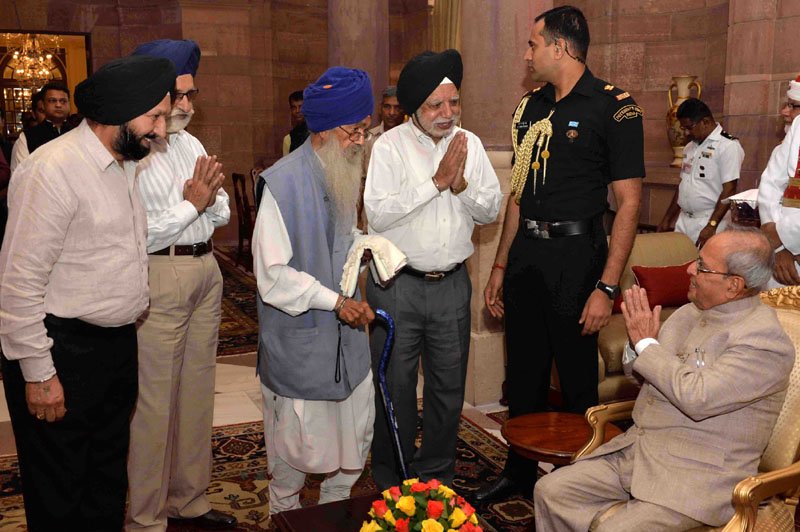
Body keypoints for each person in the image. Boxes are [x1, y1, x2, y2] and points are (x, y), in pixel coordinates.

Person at [0, 55, 175, 531]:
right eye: (155, 117)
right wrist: (38, 374)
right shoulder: (51, 170)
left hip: (114, 348)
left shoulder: (123, 165)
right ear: (118, 112)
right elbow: (18, 283)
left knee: (104, 482)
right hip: (60, 350)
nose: (161, 130)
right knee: (59, 490)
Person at [479, 5, 644, 502]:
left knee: (575, 381)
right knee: (524, 374)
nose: (527, 55)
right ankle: (519, 474)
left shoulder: (614, 107)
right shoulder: (529, 108)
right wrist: (501, 264)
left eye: (533, 45)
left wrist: (607, 287)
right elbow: (517, 192)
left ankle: (581, 482)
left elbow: (630, 200)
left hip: (577, 258)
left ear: (561, 47)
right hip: (528, 253)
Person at [535, 228, 794, 531]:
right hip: (640, 453)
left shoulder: (762, 341)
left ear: (733, 285)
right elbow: (643, 376)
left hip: (694, 477)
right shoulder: (689, 312)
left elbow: (697, 398)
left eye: (701, 266)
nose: (689, 269)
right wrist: (637, 346)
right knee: (551, 491)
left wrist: (646, 344)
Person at [364, 49, 502, 490]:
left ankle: (438, 476)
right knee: (396, 390)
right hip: (397, 286)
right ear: (414, 109)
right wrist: (435, 183)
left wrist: (460, 185)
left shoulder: (472, 145)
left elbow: (491, 209)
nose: (448, 114)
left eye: (454, 103)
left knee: (447, 392)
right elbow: (377, 215)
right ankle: (395, 479)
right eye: (436, 106)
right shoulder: (389, 147)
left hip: (451, 288)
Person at [253, 66, 376, 515]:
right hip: (302, 345)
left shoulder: (341, 169)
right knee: (292, 460)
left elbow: (336, 239)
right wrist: (336, 302)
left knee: (349, 451)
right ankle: (283, 520)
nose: (361, 140)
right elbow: (273, 276)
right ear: (323, 128)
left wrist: (366, 249)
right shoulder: (283, 184)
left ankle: (331, 516)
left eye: (366, 130)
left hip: (345, 345)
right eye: (355, 131)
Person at [126, 40, 235, 531]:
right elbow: (141, 230)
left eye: (192, 95)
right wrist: (193, 205)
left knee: (197, 394)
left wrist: (201, 203)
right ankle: (146, 517)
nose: (187, 106)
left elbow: (224, 209)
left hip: (206, 271)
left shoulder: (190, 144)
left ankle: (188, 502)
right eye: (178, 95)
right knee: (154, 403)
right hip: (159, 274)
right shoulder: (133, 151)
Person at [658, 98, 744, 247]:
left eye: (689, 127)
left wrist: (711, 225)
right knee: (679, 267)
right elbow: (683, 185)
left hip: (709, 220)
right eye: (683, 128)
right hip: (684, 220)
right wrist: (667, 218)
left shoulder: (728, 146)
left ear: (705, 122)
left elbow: (729, 189)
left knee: (704, 268)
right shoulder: (689, 147)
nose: (686, 133)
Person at [758, 75, 800, 287]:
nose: (785, 111)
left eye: (793, 105)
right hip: (786, 258)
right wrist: (778, 246)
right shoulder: (798, 128)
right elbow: (771, 185)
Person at [10, 81, 73, 173]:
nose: (58, 105)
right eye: (52, 100)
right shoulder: (27, 138)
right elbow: (20, 175)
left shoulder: (78, 132)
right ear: (43, 105)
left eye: (63, 101)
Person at [281, 90, 308, 156]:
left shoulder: (320, 134)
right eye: (294, 108)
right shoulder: (288, 139)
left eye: (300, 107)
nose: (297, 111)